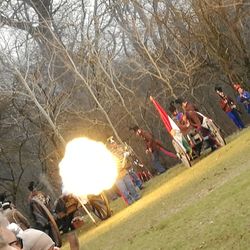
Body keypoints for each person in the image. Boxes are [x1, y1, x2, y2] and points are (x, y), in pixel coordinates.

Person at [106, 136, 140, 205]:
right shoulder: (110, 153)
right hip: (117, 176)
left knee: (130, 185)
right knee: (123, 190)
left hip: (124, 170)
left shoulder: (121, 146)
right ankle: (130, 201)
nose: (114, 144)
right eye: (112, 143)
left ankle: (136, 196)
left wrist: (127, 154)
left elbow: (129, 150)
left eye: (114, 142)